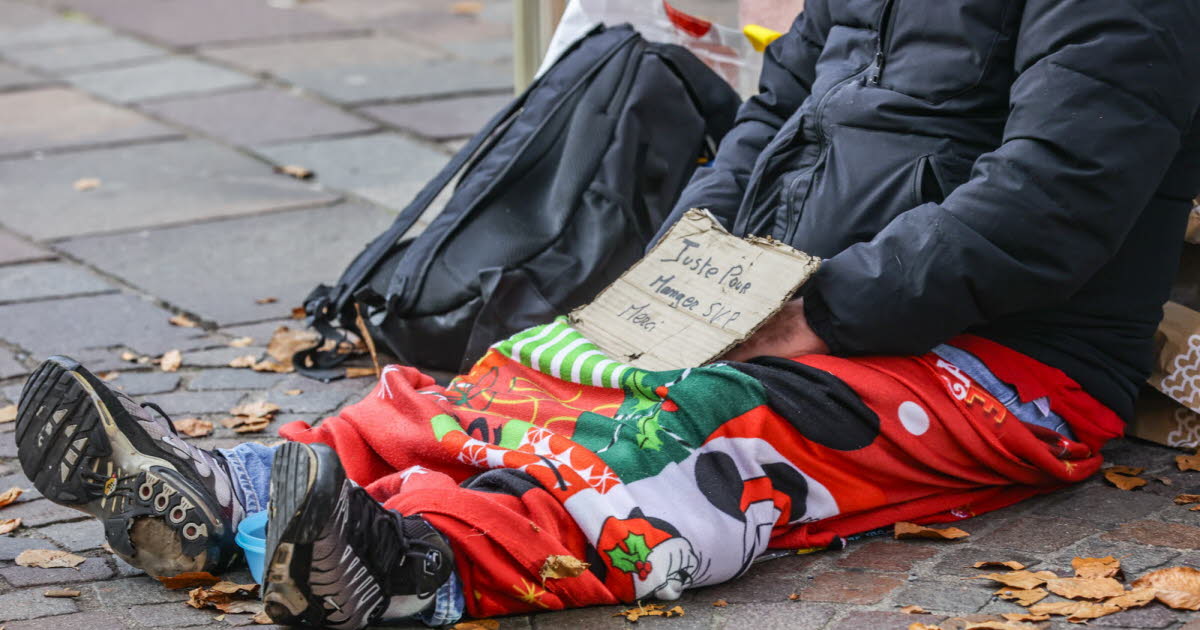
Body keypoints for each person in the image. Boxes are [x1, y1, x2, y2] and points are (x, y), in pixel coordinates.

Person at [14, 1, 1200, 628]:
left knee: (705, 426)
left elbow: (1057, 198)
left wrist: (819, 310)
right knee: (543, 363)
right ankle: (250, 492)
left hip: (1003, 362)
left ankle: (421, 561)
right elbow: (771, 109)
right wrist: (696, 266)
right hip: (806, 291)